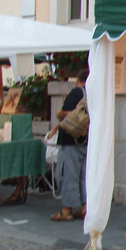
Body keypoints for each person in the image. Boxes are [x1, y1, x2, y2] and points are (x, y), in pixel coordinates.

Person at [50, 68, 89, 221]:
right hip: (86, 139)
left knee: (68, 174)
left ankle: (67, 210)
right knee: (85, 176)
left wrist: (59, 113)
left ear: (78, 79)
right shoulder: (94, 94)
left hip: (70, 139)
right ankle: (85, 208)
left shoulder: (77, 92)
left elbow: (65, 113)